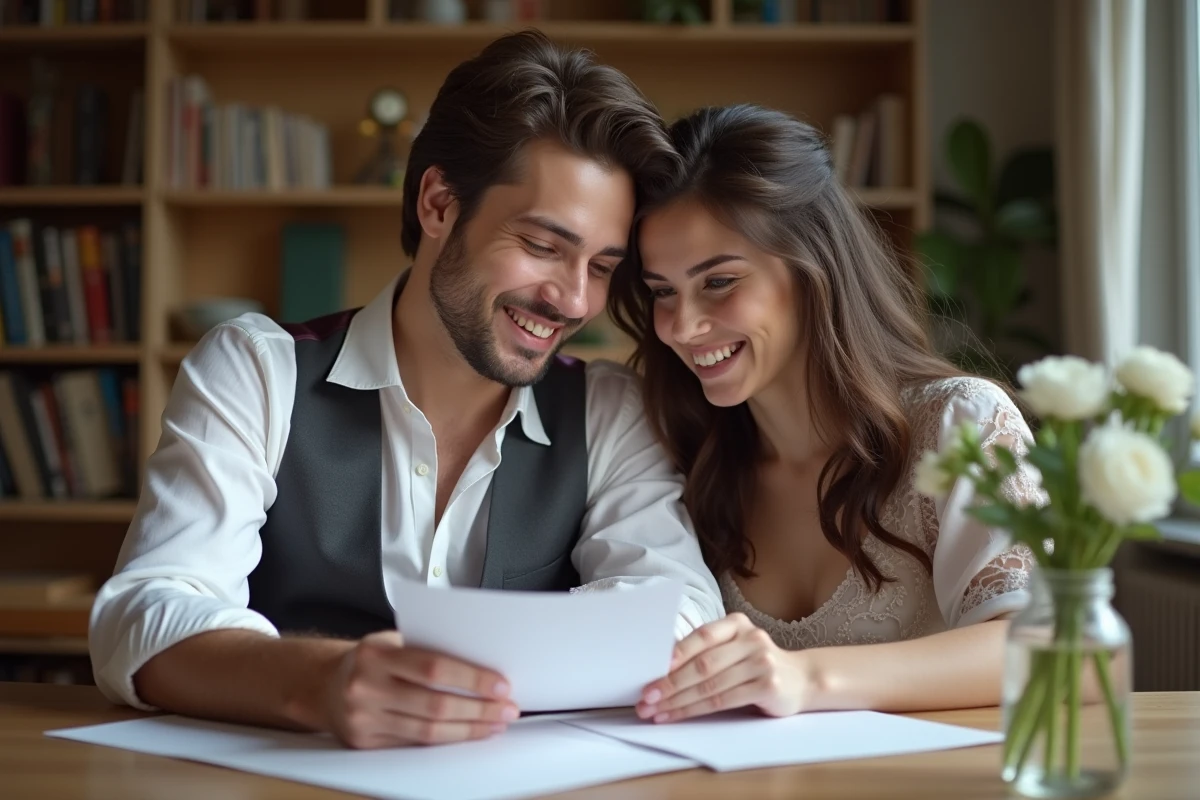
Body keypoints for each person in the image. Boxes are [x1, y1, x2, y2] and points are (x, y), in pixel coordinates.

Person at [89, 31, 724, 750]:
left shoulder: (607, 410)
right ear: (439, 204)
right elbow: (143, 613)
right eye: (543, 246)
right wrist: (320, 682)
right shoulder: (256, 372)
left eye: (602, 267)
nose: (575, 301)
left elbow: (679, 610)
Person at [606, 104, 1041, 724]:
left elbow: (1059, 653)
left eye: (720, 282)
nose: (683, 326)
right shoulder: (680, 449)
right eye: (662, 292)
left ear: (815, 270)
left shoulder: (958, 424)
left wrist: (807, 677)